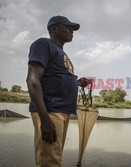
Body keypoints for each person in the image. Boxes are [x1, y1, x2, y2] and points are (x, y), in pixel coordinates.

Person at [26, 15, 88, 167]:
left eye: (73, 28)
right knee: (49, 162)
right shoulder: (43, 44)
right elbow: (32, 81)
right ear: (54, 28)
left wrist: (76, 82)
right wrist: (45, 120)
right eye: (68, 27)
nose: (72, 31)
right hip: (50, 111)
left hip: (61, 111)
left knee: (55, 158)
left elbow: (56, 76)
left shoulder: (61, 52)